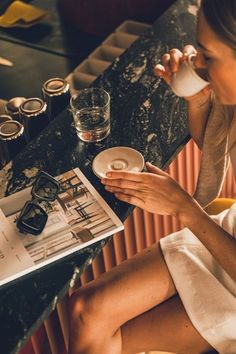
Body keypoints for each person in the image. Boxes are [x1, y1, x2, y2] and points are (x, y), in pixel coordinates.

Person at [68, 0, 236, 353]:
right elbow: (219, 144)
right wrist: (199, 99)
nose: (199, 65)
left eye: (209, 56)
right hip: (228, 234)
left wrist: (185, 209)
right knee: (85, 309)